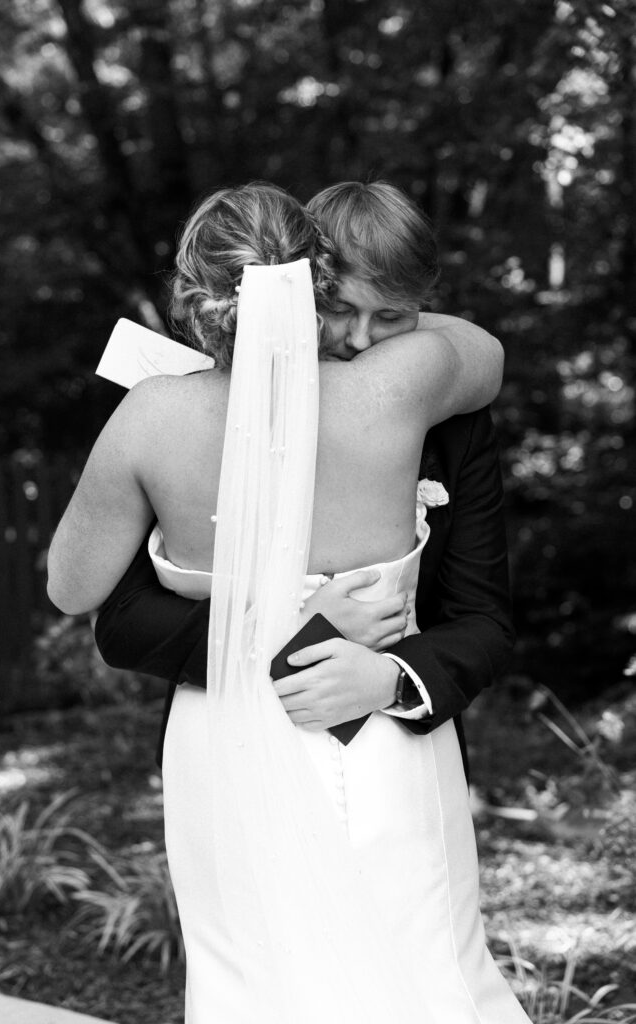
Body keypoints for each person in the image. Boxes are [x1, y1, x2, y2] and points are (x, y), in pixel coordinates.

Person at [48, 183, 530, 1023]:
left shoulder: (151, 417)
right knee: (423, 974)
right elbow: (482, 350)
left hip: (229, 740)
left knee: (251, 984)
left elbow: (72, 588)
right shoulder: (404, 387)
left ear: (198, 298)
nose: (362, 337)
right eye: (342, 306)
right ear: (311, 281)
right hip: (380, 752)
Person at [95, 182, 513, 778]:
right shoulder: (191, 418)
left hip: (399, 758)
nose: (362, 339)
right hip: (228, 748)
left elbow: (485, 619)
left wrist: (391, 679)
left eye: (392, 316)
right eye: (339, 309)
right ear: (298, 288)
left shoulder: (451, 421)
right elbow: (125, 620)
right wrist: (281, 635)